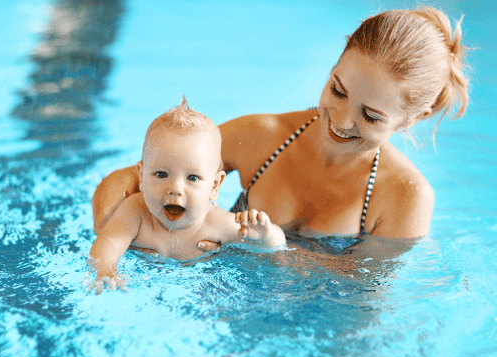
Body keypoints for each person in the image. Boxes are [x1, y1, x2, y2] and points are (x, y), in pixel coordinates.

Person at [91, 7, 469, 258]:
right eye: (337, 89)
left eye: (370, 116)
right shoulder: (263, 136)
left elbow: (360, 297)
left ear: (412, 118)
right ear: (336, 62)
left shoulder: (405, 196)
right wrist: (110, 214)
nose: (342, 119)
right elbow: (142, 174)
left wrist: (272, 252)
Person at [88, 97, 286, 292]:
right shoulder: (135, 211)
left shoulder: (215, 223)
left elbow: (277, 245)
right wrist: (105, 270)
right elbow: (109, 243)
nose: (175, 188)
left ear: (215, 186)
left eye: (192, 178)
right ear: (141, 176)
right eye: (161, 174)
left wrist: (264, 236)